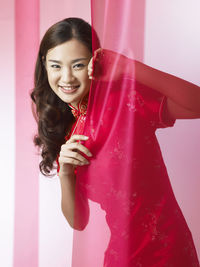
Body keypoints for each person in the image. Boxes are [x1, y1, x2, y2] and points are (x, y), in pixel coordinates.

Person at [31, 17, 200, 266]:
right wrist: (65, 172)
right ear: (45, 66)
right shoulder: (68, 133)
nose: (66, 78)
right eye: (56, 66)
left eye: (78, 65)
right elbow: (78, 222)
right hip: (120, 256)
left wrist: (128, 67)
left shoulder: (125, 100)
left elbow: (196, 103)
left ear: (94, 63)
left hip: (168, 252)